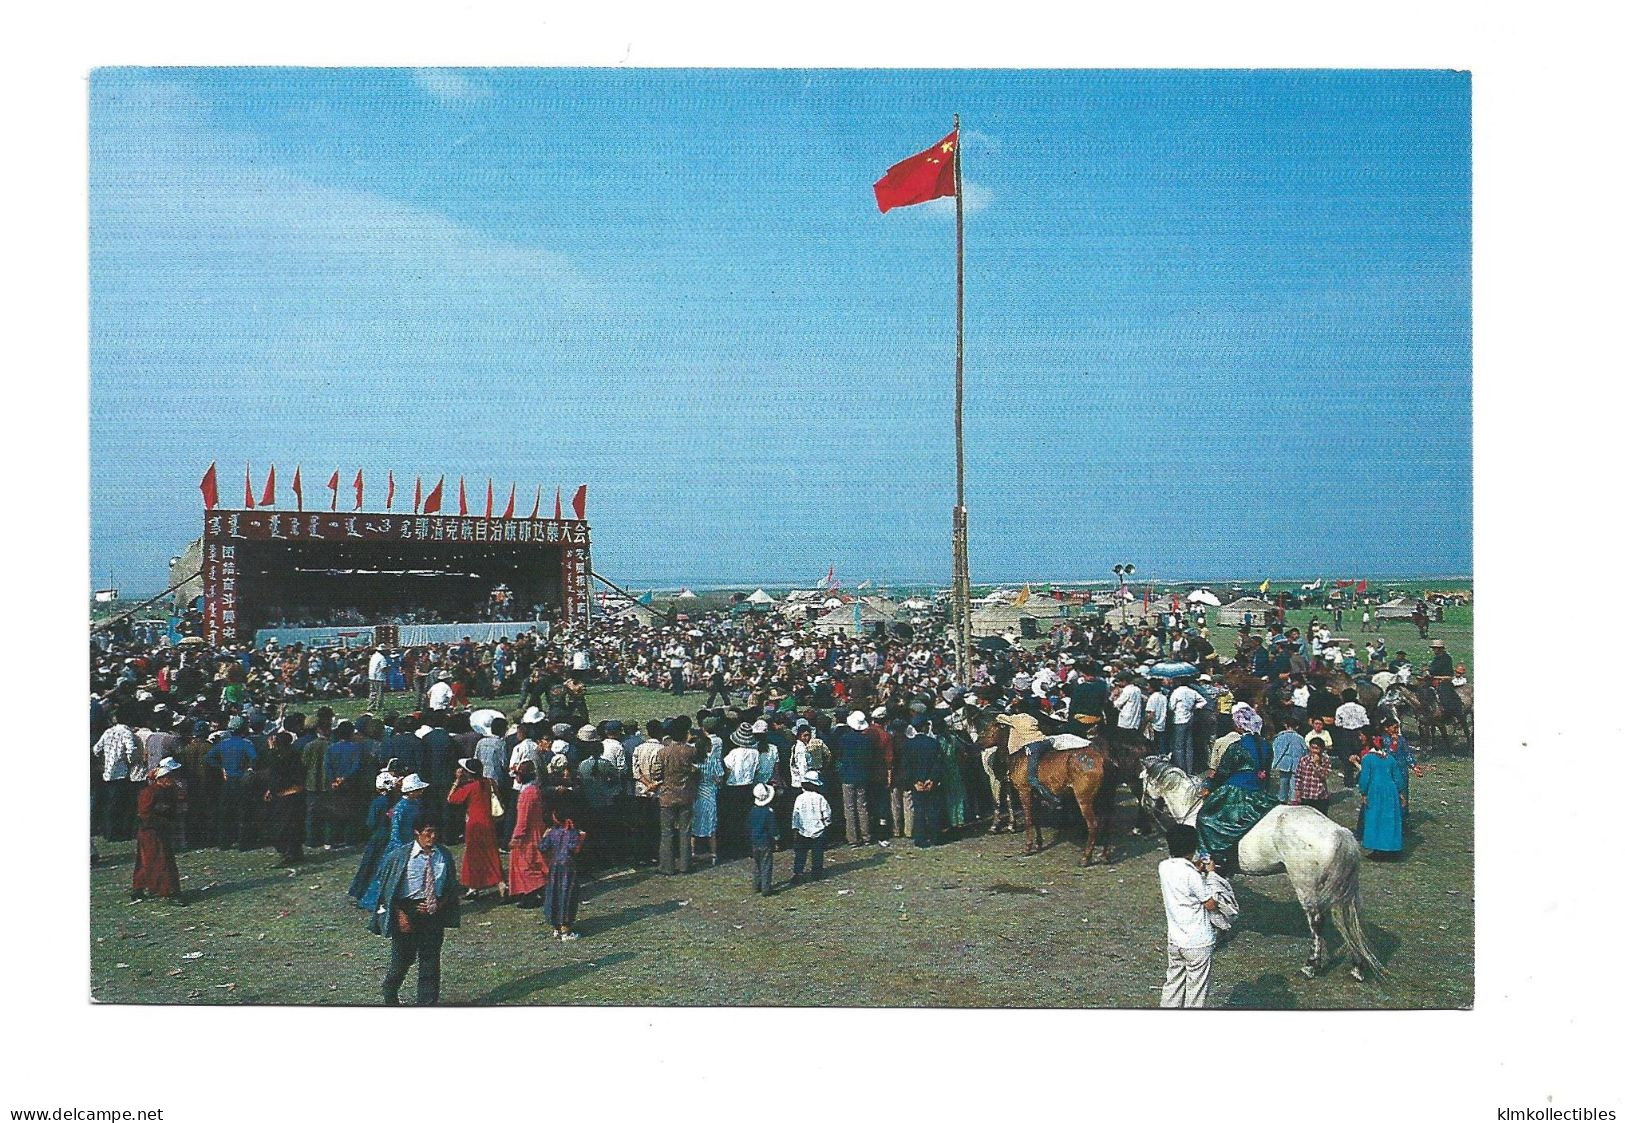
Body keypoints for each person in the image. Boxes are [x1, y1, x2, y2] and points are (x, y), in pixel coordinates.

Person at [369, 815, 462, 1006]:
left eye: (436, 832)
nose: (433, 837)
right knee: (403, 959)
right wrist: (400, 914)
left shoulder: (443, 855)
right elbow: (387, 889)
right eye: (428, 833)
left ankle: (426, 1004)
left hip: (432, 912)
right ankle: (390, 991)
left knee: (430, 960)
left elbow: (450, 887)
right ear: (417, 832)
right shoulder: (400, 857)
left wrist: (438, 903)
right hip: (406, 910)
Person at [1157, 823, 1219, 1008]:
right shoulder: (1192, 876)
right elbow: (1211, 904)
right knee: (1196, 992)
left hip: (1175, 939)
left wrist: (1195, 868)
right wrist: (1211, 874)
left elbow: (1181, 870)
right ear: (1193, 848)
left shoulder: (1164, 867)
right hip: (1198, 942)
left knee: (1173, 984)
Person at [447, 759, 504, 900]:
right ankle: (500, 883)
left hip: (474, 824)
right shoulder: (489, 782)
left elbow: (451, 799)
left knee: (473, 855)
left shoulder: (470, 787)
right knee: (491, 853)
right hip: (489, 822)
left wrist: (457, 781)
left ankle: (473, 886)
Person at [131, 757, 184, 904]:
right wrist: (163, 821)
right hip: (150, 831)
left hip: (160, 830)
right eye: (170, 776)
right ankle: (168, 892)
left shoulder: (169, 791)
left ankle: (139, 887)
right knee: (161, 862)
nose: (173, 778)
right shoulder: (150, 792)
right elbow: (144, 813)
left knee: (147, 860)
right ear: (162, 778)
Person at [650, 725, 698, 875]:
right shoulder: (691, 751)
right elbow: (696, 769)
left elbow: (656, 774)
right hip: (685, 795)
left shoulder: (663, 752)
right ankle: (685, 865)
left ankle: (667, 866)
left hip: (667, 796)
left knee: (667, 832)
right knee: (685, 831)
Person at [349, 770, 400, 906]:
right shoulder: (394, 800)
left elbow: (371, 822)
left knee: (369, 865)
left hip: (377, 836)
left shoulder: (378, 802)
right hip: (389, 835)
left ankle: (361, 892)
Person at [507, 761, 550, 907]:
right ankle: (532, 892)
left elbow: (523, 819)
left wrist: (517, 837)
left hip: (528, 835)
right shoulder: (534, 790)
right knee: (537, 863)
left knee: (526, 865)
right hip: (537, 829)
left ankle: (532, 893)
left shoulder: (527, 794)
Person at [538, 810, 587, 939]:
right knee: (567, 896)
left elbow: (542, 847)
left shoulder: (552, 832)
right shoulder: (573, 833)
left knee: (554, 894)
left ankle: (556, 926)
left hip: (554, 866)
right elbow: (574, 848)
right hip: (568, 867)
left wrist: (544, 836)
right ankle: (566, 929)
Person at [1356, 733, 1405, 858]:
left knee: (1375, 818)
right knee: (1390, 818)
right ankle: (1392, 848)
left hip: (1375, 791)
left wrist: (1364, 792)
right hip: (1391, 791)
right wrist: (1400, 792)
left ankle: (1377, 849)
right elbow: (1398, 777)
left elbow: (1365, 778)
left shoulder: (1367, 759)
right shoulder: (1390, 759)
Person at [836, 711, 873, 846]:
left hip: (847, 775)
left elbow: (839, 756)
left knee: (849, 808)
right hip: (862, 775)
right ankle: (866, 835)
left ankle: (853, 838)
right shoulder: (867, 740)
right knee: (862, 806)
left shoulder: (844, 739)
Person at [790, 771, 832, 883]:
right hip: (818, 830)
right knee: (817, 853)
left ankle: (798, 873)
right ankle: (817, 873)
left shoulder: (800, 798)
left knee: (800, 853)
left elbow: (796, 815)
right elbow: (827, 813)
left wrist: (795, 828)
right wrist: (826, 824)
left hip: (803, 830)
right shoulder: (820, 798)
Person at [1334, 688, 1371, 788]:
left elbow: (1337, 724)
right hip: (1359, 733)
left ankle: (1349, 781)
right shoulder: (1361, 708)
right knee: (1361, 757)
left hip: (1346, 734)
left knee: (1347, 759)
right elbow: (1366, 722)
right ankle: (1362, 778)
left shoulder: (1340, 709)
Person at [747, 783, 779, 895]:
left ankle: (756, 885)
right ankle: (766, 888)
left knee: (757, 864)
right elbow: (772, 828)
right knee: (766, 865)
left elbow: (749, 826)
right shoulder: (769, 812)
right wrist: (776, 838)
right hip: (765, 841)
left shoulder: (752, 811)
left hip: (754, 841)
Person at [1293, 732, 1332, 815]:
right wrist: (1297, 791)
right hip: (1306, 794)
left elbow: (1324, 776)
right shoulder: (1304, 760)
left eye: (1317, 748)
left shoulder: (1326, 760)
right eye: (1312, 748)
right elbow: (1298, 776)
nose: (1314, 751)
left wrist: (1317, 764)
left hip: (1319, 796)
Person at [1270, 722, 1308, 803]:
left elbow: (1277, 750)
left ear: (1286, 726)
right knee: (1294, 783)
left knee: (1283, 782)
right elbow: (1305, 750)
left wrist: (1275, 762)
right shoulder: (1300, 738)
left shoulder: (1281, 737)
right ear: (1297, 727)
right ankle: (1293, 799)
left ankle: (1282, 798)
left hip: (1285, 762)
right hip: (1297, 762)